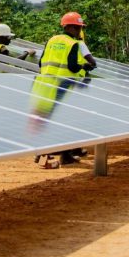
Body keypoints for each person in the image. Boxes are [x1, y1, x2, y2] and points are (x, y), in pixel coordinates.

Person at [37, 12, 97, 165]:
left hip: (45, 83)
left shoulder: (52, 40)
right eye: (77, 28)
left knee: (49, 118)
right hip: (63, 85)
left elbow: (40, 62)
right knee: (65, 120)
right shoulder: (73, 43)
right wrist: (83, 66)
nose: (79, 31)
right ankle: (64, 156)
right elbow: (71, 66)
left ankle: (44, 153)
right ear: (69, 27)